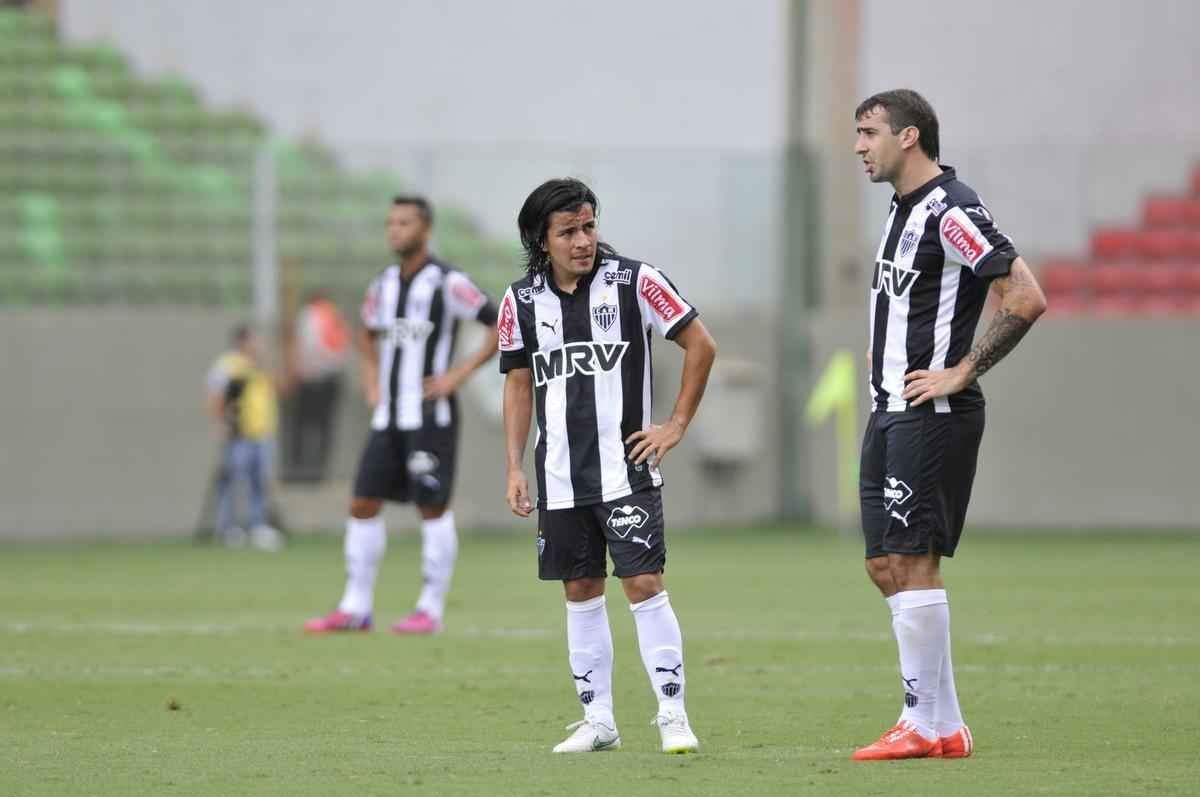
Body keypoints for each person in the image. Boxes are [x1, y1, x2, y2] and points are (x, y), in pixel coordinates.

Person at [849, 89, 1047, 760]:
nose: (858, 146)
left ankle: (918, 720)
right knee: (884, 564)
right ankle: (947, 723)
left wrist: (963, 370)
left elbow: (1024, 295)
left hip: (930, 415)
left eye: (868, 132)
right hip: (888, 411)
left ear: (909, 137)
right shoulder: (900, 210)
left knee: (913, 560)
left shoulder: (952, 210)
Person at [499, 178, 717, 754]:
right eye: (568, 231)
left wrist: (674, 426)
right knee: (581, 588)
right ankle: (599, 722)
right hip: (560, 476)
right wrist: (515, 468)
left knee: (644, 583)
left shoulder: (636, 281)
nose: (583, 240)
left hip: (627, 472)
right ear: (542, 241)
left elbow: (702, 345)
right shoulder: (520, 302)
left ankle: (673, 714)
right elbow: (519, 385)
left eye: (589, 226)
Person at [305, 195, 499, 635]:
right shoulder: (382, 285)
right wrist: (372, 380)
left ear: (425, 230)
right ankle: (356, 607)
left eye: (405, 223)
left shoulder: (448, 283)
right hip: (388, 417)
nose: (395, 230)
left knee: (431, 507)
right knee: (362, 502)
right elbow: (367, 336)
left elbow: (499, 322)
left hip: (431, 415)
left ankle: (429, 609)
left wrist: (459, 374)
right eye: (391, 222)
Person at [204, 324, 286, 552]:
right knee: (234, 479)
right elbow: (215, 395)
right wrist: (220, 423)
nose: (258, 345)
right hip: (240, 433)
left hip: (263, 432)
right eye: (254, 341)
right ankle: (227, 528)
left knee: (260, 481)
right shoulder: (228, 365)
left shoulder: (259, 367)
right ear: (242, 342)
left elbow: (280, 387)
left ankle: (257, 526)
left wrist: (268, 364)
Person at [283, 291, 350, 483]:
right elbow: (342, 346)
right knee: (324, 427)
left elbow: (304, 347)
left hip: (309, 379)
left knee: (302, 427)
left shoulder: (307, 315)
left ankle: (300, 468)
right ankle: (319, 469)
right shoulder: (334, 314)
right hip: (331, 379)